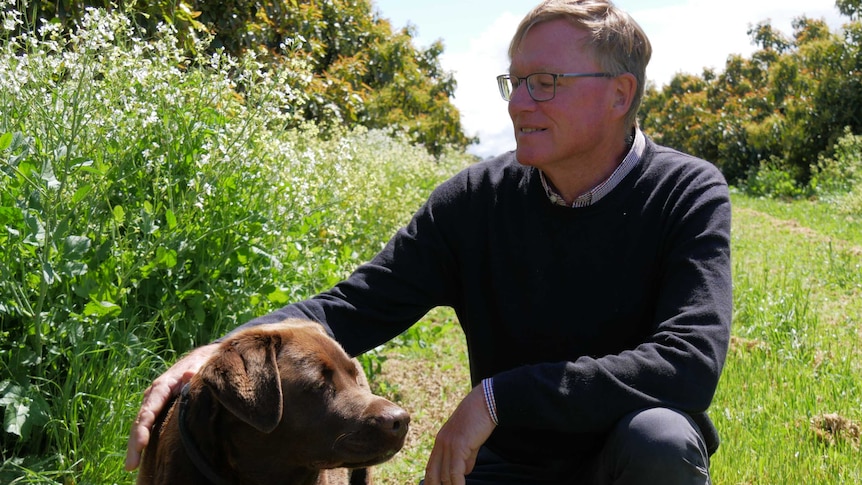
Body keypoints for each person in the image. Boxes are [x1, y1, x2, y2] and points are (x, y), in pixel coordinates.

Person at [126, 0, 732, 483]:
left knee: (661, 440)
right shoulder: (478, 199)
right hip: (504, 466)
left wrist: (498, 398)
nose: (520, 104)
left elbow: (688, 364)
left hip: (623, 460)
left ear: (620, 93)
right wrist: (219, 351)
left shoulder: (685, 192)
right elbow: (356, 306)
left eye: (544, 83)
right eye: (514, 82)